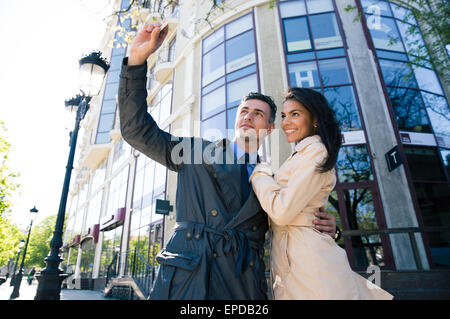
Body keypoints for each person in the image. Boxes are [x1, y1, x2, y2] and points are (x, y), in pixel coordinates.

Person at [118, 23, 338, 300]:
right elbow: (136, 131)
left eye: (258, 114)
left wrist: (333, 229)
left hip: (240, 285)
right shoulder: (195, 151)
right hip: (188, 279)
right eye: (244, 110)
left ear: (270, 128)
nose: (248, 116)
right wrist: (136, 62)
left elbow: (289, 224)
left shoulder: (273, 179)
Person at [249, 87, 393, 299]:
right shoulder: (299, 155)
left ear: (315, 119)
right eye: (283, 116)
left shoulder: (316, 151)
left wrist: (260, 172)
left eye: (295, 114)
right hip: (295, 263)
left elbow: (281, 211)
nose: (286, 122)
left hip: (311, 267)